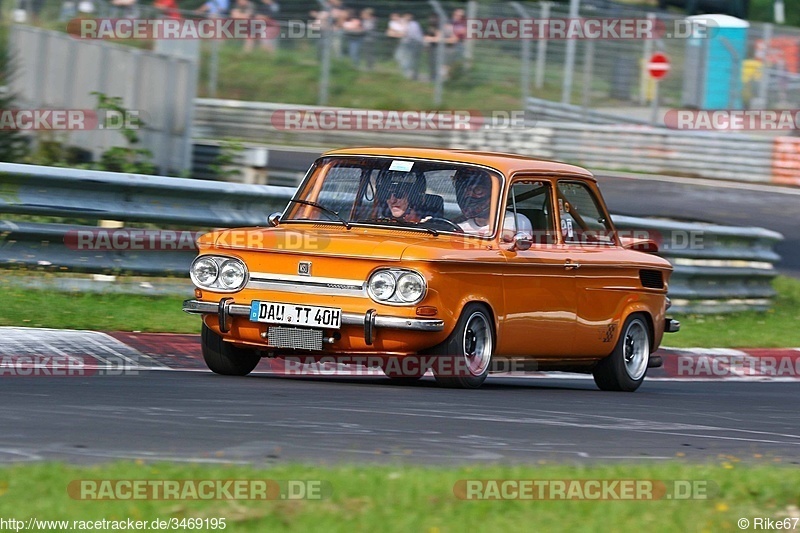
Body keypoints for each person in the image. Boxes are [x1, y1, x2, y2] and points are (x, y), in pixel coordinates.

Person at [454, 169, 531, 239]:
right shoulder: (461, 226)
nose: (468, 196)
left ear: (493, 192)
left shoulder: (516, 220)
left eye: (478, 190)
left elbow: (506, 236)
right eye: (463, 191)